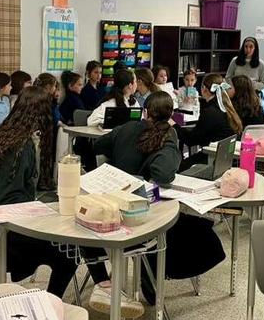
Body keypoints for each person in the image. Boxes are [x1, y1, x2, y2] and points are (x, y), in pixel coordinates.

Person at [0, 87, 142, 315]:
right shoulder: (19, 147)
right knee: (69, 251)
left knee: (78, 224)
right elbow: (10, 200)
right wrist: (46, 209)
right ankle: (49, 309)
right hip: (3, 223)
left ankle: (104, 286)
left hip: (7, 214)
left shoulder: (8, 135)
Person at [94, 91, 225, 304]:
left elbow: (98, 146)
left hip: (112, 207)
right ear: (171, 114)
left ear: (145, 111)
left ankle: (124, 280)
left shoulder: (127, 128)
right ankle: (151, 278)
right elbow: (163, 174)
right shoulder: (168, 136)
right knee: (197, 228)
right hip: (145, 213)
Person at [178, 73, 243, 169]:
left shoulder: (210, 112)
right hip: (226, 159)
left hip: (211, 158)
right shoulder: (227, 107)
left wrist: (175, 126)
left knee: (178, 168)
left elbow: (191, 140)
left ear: (204, 89)